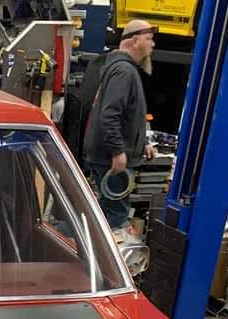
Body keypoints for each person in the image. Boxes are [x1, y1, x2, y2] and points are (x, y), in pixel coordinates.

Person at [84, 20, 157, 240]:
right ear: (134, 41)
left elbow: (127, 115)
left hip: (110, 156)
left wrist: (141, 143)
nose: (152, 44)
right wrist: (117, 151)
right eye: (149, 39)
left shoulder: (122, 69)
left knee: (109, 213)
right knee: (115, 219)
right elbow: (110, 114)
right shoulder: (124, 71)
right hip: (111, 160)